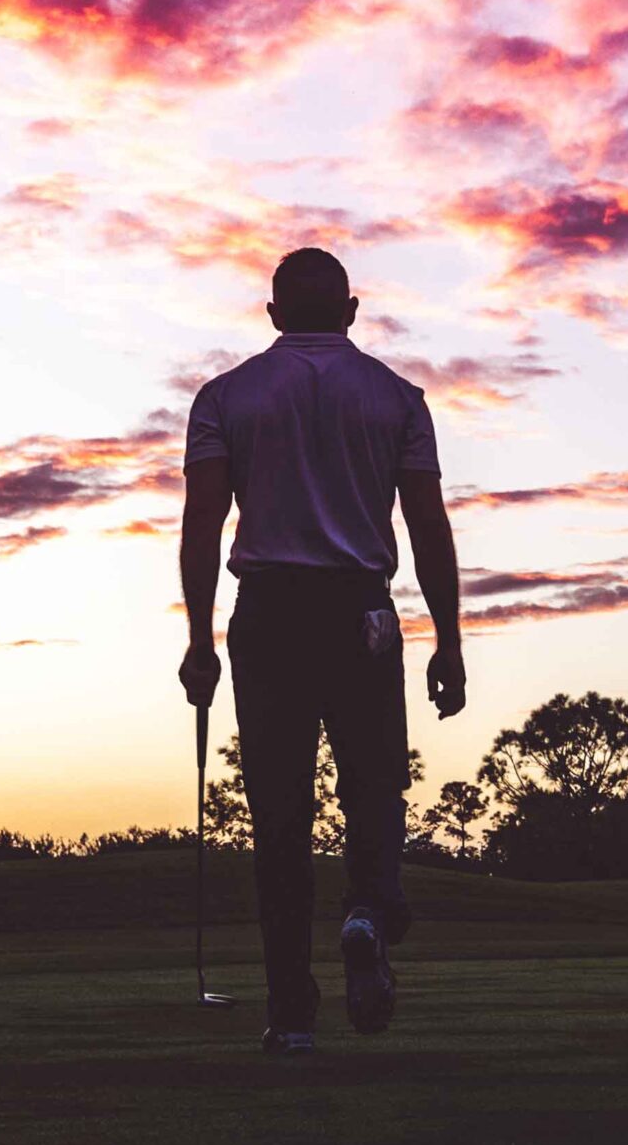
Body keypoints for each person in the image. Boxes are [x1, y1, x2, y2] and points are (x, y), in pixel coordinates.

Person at [178, 247, 465, 1057]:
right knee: (373, 787)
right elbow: (427, 528)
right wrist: (448, 639)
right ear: (351, 309)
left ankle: (292, 1014)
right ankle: (368, 911)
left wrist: (199, 640)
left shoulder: (224, 397)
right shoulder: (396, 398)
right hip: (360, 613)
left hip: (266, 612)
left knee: (279, 814)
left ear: (272, 315)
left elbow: (203, 528)